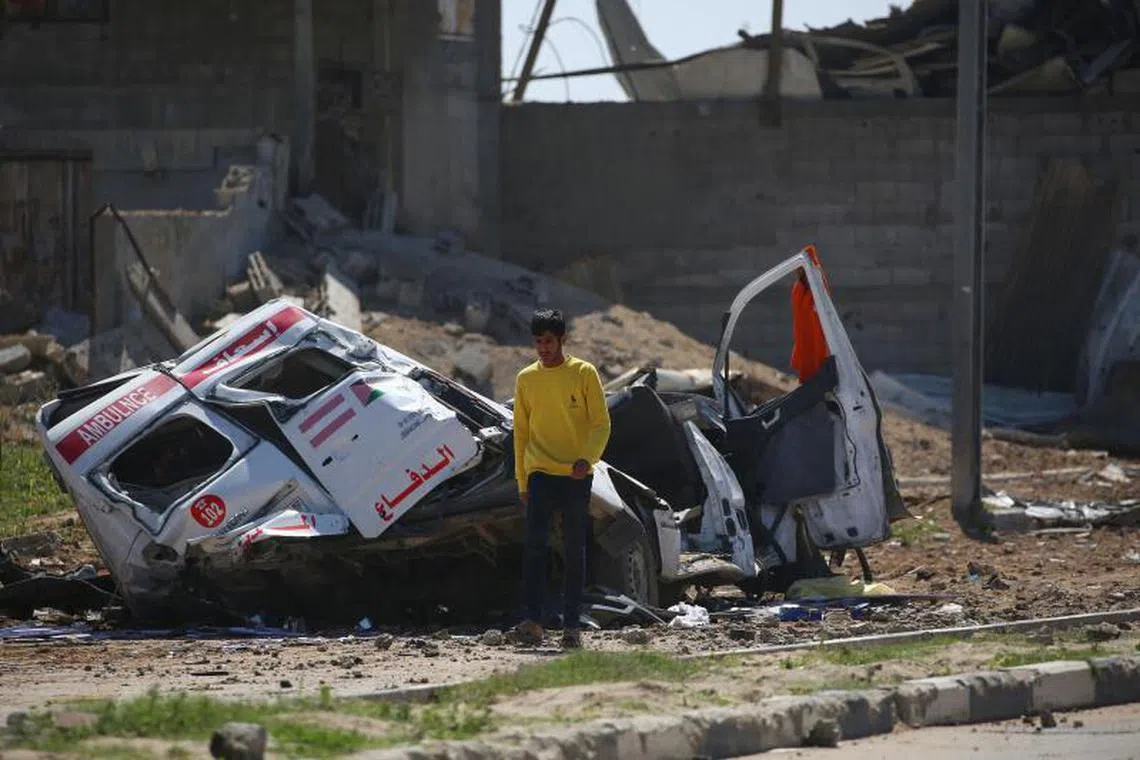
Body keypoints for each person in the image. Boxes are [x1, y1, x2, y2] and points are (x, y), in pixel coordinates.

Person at [511, 308, 611, 649]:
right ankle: (533, 622)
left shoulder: (584, 373)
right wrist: (522, 481)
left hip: (575, 474)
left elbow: (601, 423)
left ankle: (571, 627)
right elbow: (520, 434)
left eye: (549, 341)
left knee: (574, 550)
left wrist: (587, 458)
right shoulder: (526, 378)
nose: (543, 348)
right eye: (538, 342)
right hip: (539, 472)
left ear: (562, 340)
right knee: (535, 549)